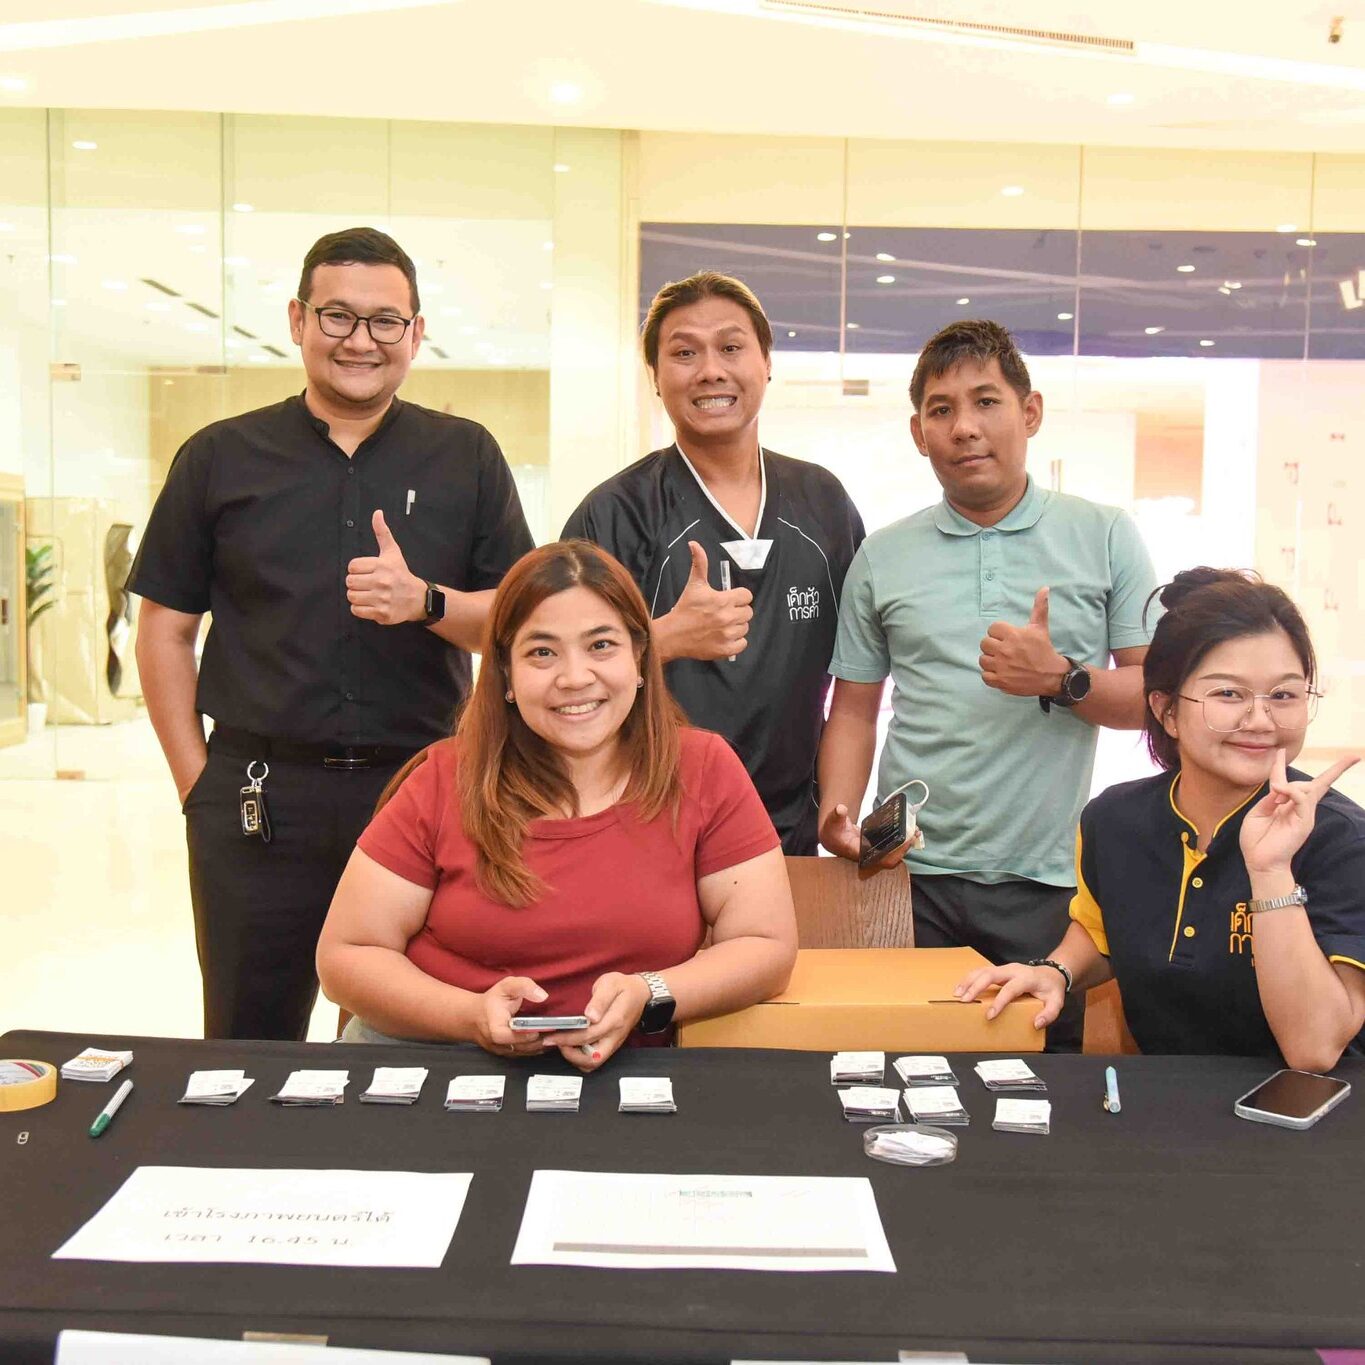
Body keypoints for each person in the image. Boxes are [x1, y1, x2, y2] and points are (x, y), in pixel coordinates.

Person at [130, 226, 534, 1042]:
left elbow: (515, 623)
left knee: (408, 1036)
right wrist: (198, 787)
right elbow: (164, 631)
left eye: (385, 321)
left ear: (416, 333)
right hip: (257, 798)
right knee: (249, 1038)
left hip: (420, 791)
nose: (361, 341)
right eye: (338, 316)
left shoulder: (465, 456)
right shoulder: (219, 457)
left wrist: (425, 601)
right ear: (297, 320)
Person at [315, 540, 798, 1068]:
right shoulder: (441, 779)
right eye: (542, 652)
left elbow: (764, 945)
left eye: (601, 645)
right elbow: (347, 956)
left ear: (640, 658)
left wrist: (649, 993)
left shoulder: (704, 768)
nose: (574, 678)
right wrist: (470, 1015)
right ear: (505, 674)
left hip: (625, 1076)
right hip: (433, 1063)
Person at [817, 318, 1157, 1051]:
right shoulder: (883, 555)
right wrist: (836, 815)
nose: (964, 427)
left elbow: (1157, 701)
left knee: (1038, 1083)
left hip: (1048, 882)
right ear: (919, 433)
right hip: (908, 877)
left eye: (985, 401)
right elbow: (853, 710)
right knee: (896, 1073)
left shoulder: (1104, 534)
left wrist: (1061, 679)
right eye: (941, 410)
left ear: (1029, 413)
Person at [957, 569, 1365, 1068]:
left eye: (1283, 695)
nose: (1261, 721)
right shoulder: (1114, 819)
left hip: (1320, 1105)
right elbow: (1103, 931)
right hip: (1163, 1097)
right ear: (1167, 710)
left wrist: (1271, 870)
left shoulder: (1342, 837)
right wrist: (1056, 970)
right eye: (1228, 694)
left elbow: (1315, 1050)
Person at [562, 271, 865, 854]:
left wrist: (838, 812)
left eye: (730, 347)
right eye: (684, 353)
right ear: (655, 377)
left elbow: (858, 681)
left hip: (791, 833)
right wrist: (664, 639)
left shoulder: (823, 502)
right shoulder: (615, 513)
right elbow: (556, 675)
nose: (710, 371)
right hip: (645, 831)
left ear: (766, 363)